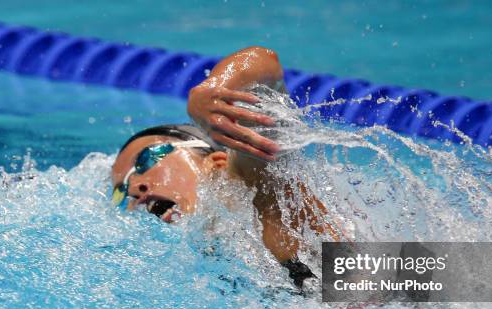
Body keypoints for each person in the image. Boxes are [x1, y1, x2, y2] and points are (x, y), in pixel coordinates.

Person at [111, 47, 342, 290]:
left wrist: (215, 88)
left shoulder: (245, 188)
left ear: (217, 162)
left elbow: (264, 63)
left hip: (371, 288)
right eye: (121, 189)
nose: (135, 187)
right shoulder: (208, 254)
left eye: (147, 160)